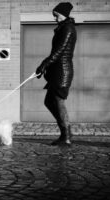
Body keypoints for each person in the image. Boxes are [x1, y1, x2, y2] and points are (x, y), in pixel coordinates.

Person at [35, 2, 77, 145]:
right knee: (49, 101)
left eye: (56, 15)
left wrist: (44, 64)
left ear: (63, 14)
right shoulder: (63, 28)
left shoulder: (68, 28)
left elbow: (59, 51)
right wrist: (45, 67)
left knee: (58, 102)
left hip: (62, 72)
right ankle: (66, 131)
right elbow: (56, 52)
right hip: (57, 72)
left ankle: (66, 136)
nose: (54, 18)